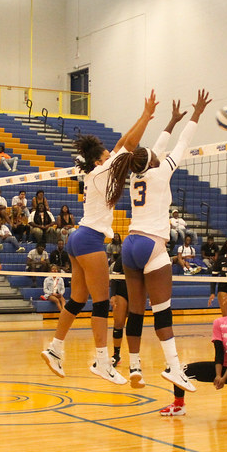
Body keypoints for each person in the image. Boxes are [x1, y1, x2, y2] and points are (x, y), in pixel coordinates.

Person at [41, 91, 157, 385]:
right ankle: (103, 363)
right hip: (89, 240)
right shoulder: (103, 170)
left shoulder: (99, 173)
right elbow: (128, 145)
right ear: (99, 160)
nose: (111, 156)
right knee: (102, 302)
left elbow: (121, 146)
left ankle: (55, 348)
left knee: (78, 299)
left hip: (77, 239)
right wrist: (145, 117)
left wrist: (142, 117)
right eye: (107, 155)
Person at [110, 90, 209, 393]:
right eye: (153, 153)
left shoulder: (135, 175)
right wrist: (196, 115)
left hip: (130, 245)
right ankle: (174, 368)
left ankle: (135, 366)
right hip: (152, 245)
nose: (156, 152)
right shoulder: (161, 171)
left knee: (136, 311)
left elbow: (157, 147)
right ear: (152, 161)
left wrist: (170, 120)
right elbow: (181, 145)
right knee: (162, 311)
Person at [159, 290, 227, 431]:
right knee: (180, 371)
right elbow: (218, 351)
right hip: (220, 365)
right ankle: (178, 405)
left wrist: (224, 378)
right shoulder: (219, 322)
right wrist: (218, 375)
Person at [108, 253, 128, 367]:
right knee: (119, 323)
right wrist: (113, 295)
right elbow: (115, 278)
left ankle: (135, 356)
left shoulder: (142, 256)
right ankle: (116, 354)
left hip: (136, 291)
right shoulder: (122, 258)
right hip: (121, 292)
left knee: (134, 324)